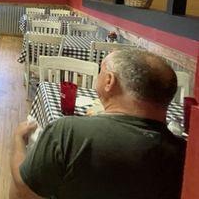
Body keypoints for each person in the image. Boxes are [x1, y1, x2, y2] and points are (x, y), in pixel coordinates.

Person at [10, 48, 186, 199]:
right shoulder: (185, 155)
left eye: (101, 70)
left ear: (109, 81)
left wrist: (18, 140)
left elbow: (24, 188)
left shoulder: (68, 132)